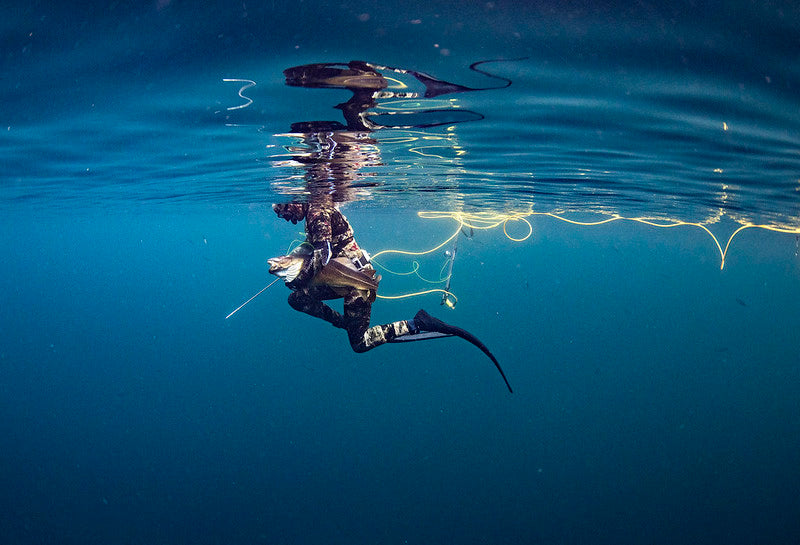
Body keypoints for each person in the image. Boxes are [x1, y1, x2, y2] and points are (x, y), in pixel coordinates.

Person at [272, 198, 513, 392]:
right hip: (341, 279)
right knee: (297, 299)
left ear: (291, 199)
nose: (286, 219)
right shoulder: (314, 213)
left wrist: (299, 278)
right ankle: (345, 322)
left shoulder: (316, 212)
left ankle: (416, 324)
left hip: (358, 283)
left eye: (282, 211)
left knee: (360, 343)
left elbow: (322, 255)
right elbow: (316, 252)